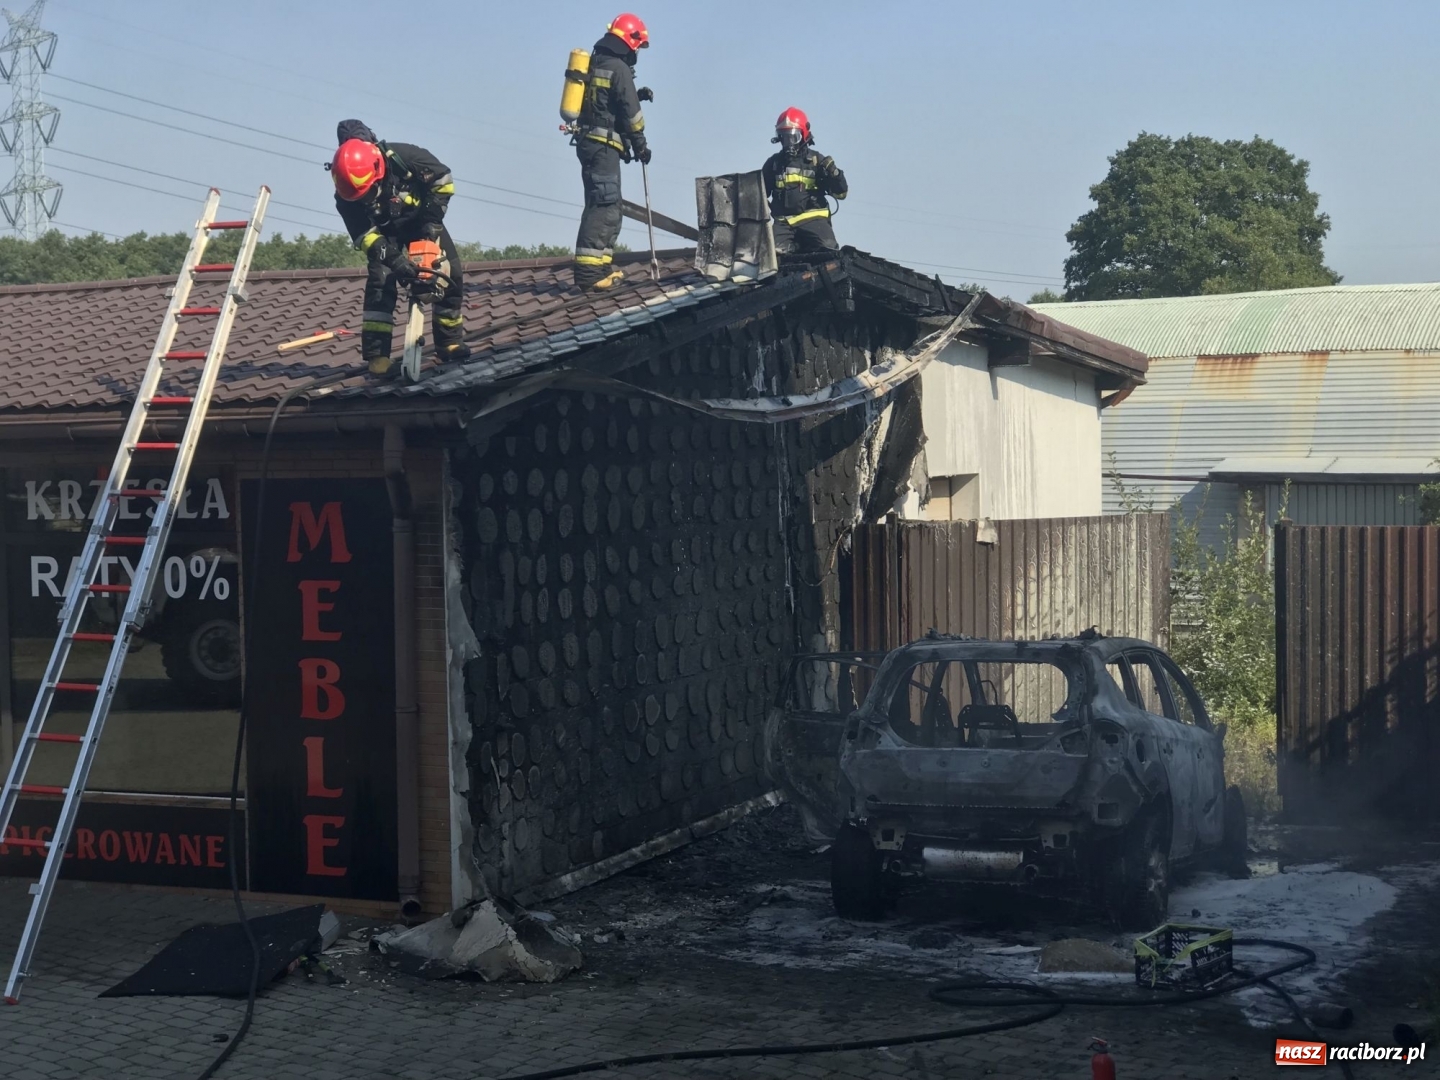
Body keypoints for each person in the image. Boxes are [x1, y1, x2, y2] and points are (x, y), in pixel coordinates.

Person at [330, 119, 469, 375]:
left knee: (451, 272)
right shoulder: (344, 192)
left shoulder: (406, 157)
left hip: (422, 221)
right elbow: (365, 236)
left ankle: (449, 342)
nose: (368, 199)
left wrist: (431, 227)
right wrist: (395, 261)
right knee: (380, 282)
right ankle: (377, 358)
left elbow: (444, 180)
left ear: (377, 170)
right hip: (384, 232)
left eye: (369, 192)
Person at [572, 13, 651, 292]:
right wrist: (640, 144)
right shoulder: (618, 68)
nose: (637, 53)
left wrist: (635, 93)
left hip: (592, 143)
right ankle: (588, 274)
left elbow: (602, 103)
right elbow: (632, 116)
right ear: (630, 41)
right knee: (604, 205)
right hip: (602, 146)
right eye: (638, 46)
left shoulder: (597, 63)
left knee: (610, 205)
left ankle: (602, 266)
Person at [762, 108, 847, 254]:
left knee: (828, 250)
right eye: (784, 137)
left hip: (813, 219)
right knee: (770, 256)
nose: (788, 143)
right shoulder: (774, 164)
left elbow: (841, 194)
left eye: (793, 137)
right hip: (784, 224)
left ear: (804, 135)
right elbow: (760, 194)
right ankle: (796, 249)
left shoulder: (818, 161)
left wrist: (835, 174)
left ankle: (803, 248)